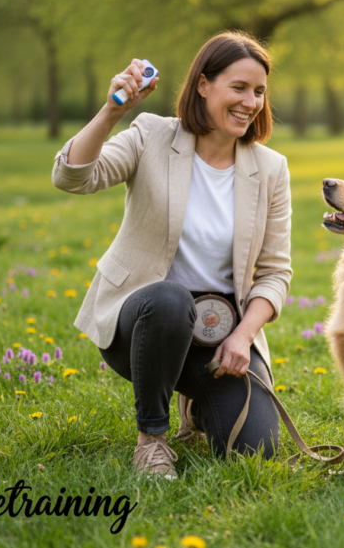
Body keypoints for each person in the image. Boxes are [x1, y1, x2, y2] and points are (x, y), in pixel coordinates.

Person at [51, 32, 292, 478]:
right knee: (169, 299)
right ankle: (152, 440)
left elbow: (276, 272)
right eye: (238, 88)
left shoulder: (271, 169)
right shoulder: (153, 135)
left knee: (255, 450)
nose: (251, 102)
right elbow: (72, 178)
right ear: (203, 85)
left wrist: (243, 336)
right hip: (145, 319)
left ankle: (196, 409)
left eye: (259, 91)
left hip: (220, 331)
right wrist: (113, 112)